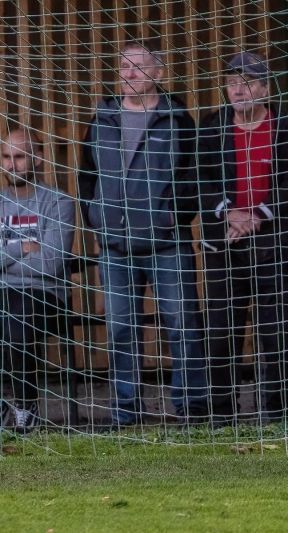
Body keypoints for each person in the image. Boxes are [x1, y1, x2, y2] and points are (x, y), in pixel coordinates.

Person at [77, 41, 208, 427]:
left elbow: (194, 176)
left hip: (168, 242)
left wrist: (174, 215)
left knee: (182, 324)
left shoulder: (178, 118)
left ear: (158, 74)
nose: (129, 74)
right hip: (115, 246)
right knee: (120, 330)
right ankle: (125, 410)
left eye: (138, 67)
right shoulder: (101, 118)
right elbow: (87, 176)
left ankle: (191, 406)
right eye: (123, 67)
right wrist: (98, 218)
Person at [197, 51, 288, 424]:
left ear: (264, 87)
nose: (238, 91)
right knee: (222, 331)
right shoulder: (211, 128)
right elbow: (198, 181)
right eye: (231, 84)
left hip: (274, 243)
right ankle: (222, 416)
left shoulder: (287, 128)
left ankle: (277, 414)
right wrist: (229, 212)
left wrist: (257, 215)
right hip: (224, 243)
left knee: (277, 333)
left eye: (247, 83)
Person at [0, 127, 74, 433]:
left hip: (45, 296)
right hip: (4, 293)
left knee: (15, 316)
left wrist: (4, 258)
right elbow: (36, 256)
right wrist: (22, 248)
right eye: (5, 157)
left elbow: (51, 263)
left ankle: (25, 405)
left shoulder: (59, 202)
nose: (11, 164)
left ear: (37, 158)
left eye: (19, 157)